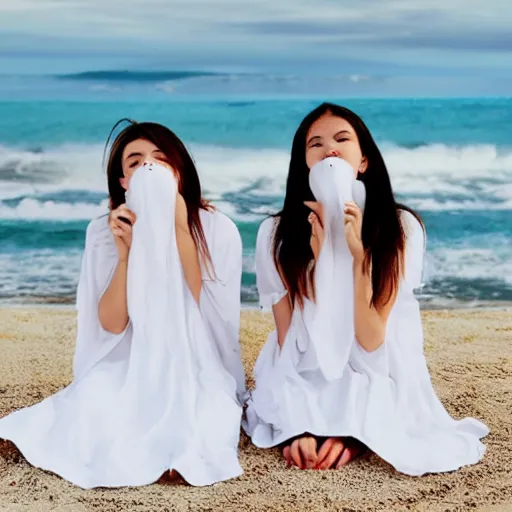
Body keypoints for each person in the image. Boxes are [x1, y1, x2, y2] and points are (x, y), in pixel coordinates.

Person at [244, 103, 488, 474]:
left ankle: (352, 433)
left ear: (363, 161)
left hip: (379, 365)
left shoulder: (401, 227)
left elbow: (372, 341)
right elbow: (287, 344)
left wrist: (355, 259)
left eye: (342, 139)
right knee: (294, 408)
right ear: (303, 163)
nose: (331, 150)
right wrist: (298, 427)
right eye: (316, 144)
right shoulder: (274, 235)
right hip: (305, 362)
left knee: (366, 397)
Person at [0, 120, 246, 488]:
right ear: (123, 181)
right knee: (96, 401)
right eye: (135, 161)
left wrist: (178, 228)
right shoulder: (104, 230)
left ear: (178, 171)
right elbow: (112, 324)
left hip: (195, 357)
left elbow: (207, 313)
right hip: (128, 358)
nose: (148, 166)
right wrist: (126, 255)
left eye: (160, 159)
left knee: (204, 410)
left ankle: (177, 457)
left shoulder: (215, 227)